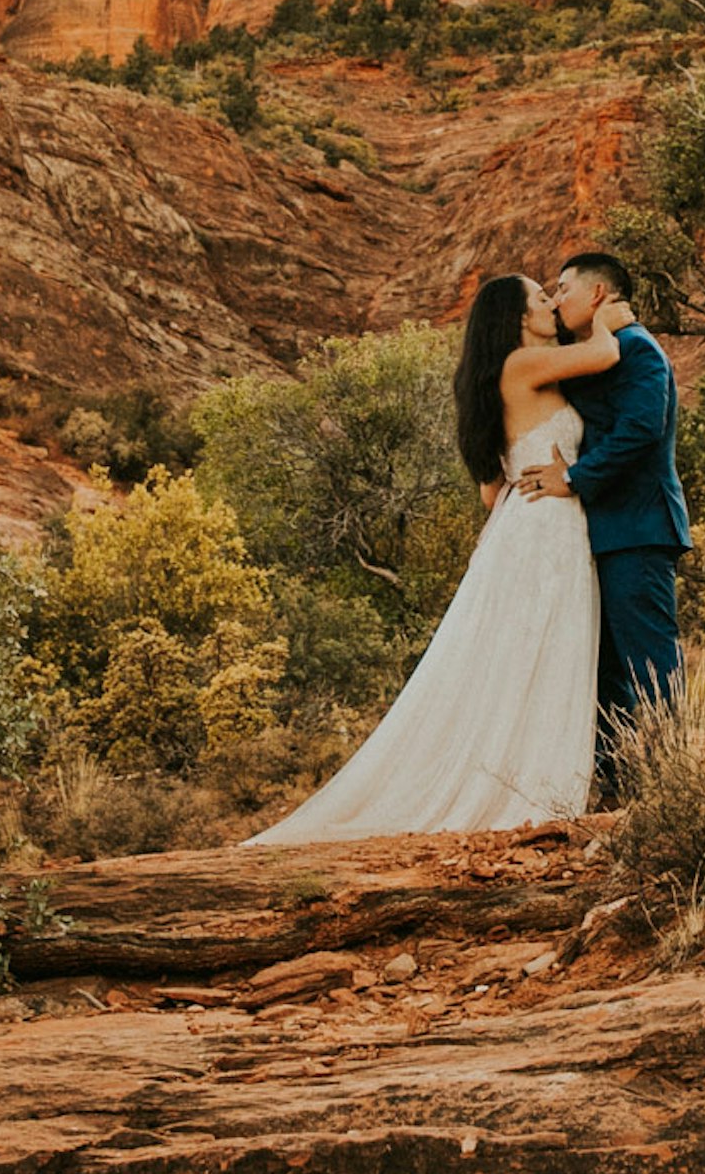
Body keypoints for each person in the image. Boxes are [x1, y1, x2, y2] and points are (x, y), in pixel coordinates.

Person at [246, 272, 617, 844]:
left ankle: (526, 781)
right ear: (518, 317)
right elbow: (604, 352)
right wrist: (606, 312)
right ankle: (538, 790)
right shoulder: (522, 363)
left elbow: (491, 491)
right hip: (547, 527)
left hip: (528, 522)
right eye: (542, 299)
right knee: (548, 648)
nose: (550, 304)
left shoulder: (501, 376)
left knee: (528, 653)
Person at [511, 249, 691, 788]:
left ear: (597, 294)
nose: (557, 298)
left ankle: (672, 780)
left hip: (638, 530)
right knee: (606, 668)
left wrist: (573, 478)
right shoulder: (603, 352)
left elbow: (639, 431)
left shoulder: (640, 353)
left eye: (563, 288)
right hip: (600, 534)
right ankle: (613, 779)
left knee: (650, 662)